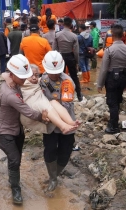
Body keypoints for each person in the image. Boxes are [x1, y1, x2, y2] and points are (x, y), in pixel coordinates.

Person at [0, 54, 49, 204]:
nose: (25, 79)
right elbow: (28, 112)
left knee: (15, 160)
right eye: (22, 77)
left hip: (17, 130)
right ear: (13, 75)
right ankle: (15, 189)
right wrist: (42, 117)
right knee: (15, 159)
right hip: (5, 132)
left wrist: (7, 77)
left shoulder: (13, 80)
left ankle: (13, 179)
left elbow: (5, 74)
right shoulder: (10, 94)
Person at [39, 51, 77, 192]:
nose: (53, 75)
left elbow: (66, 106)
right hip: (49, 123)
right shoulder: (42, 80)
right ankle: (52, 177)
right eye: (50, 72)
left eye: (56, 72)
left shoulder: (67, 82)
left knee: (65, 151)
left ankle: (56, 174)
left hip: (66, 120)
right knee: (49, 149)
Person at [2, 64, 79, 134]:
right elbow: (5, 75)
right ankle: (63, 127)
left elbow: (45, 78)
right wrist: (8, 78)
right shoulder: (21, 83)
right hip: (29, 112)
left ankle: (70, 122)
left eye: (36, 75)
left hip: (41, 109)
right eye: (31, 75)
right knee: (43, 104)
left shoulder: (40, 81)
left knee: (53, 102)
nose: (34, 77)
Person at [97, 24, 126, 134]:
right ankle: (114, 122)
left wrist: (100, 84)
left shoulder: (109, 50)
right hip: (122, 77)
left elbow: (103, 69)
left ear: (112, 35)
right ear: (123, 35)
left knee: (111, 102)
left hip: (111, 77)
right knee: (117, 100)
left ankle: (113, 126)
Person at [53, 17, 82, 101]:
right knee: (74, 76)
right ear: (70, 25)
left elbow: (54, 48)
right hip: (70, 56)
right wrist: (77, 61)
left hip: (60, 56)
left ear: (63, 24)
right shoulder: (74, 36)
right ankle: (79, 95)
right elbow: (76, 51)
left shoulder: (57, 35)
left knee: (59, 76)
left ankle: (58, 94)